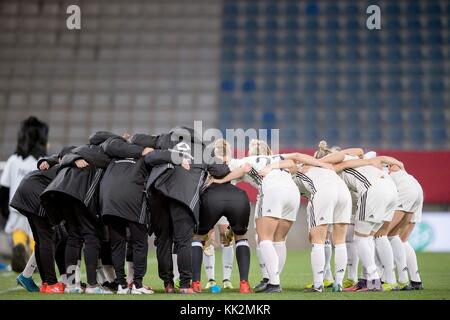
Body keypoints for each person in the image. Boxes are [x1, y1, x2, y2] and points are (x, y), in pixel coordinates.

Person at [134, 127, 230, 294]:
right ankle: (185, 285)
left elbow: (136, 138)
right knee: (183, 241)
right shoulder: (203, 149)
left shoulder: (165, 139)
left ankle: (168, 284)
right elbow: (222, 171)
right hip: (184, 197)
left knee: (163, 240)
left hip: (159, 193)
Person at [40, 131, 118, 294]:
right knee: (92, 237)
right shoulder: (103, 156)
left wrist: (53, 159)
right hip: (79, 198)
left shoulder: (78, 150)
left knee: (74, 237)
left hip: (61, 196)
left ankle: (71, 285)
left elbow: (63, 155)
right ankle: (92, 285)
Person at [317, 142, 399, 291]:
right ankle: (369, 279)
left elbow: (339, 159)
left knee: (360, 238)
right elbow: (359, 150)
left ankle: (373, 282)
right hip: (391, 188)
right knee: (368, 237)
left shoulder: (332, 167)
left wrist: (317, 162)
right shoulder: (352, 157)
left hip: (374, 190)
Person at [282, 152, 352, 292]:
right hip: (344, 192)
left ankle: (318, 285)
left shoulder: (293, 175)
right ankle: (338, 284)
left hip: (323, 192)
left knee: (317, 241)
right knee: (340, 241)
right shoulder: (325, 166)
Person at [191, 139, 252, 293]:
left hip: (211, 201)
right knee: (234, 239)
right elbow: (246, 168)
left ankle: (202, 281)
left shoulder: (208, 161)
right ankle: (234, 281)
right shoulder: (233, 162)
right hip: (234, 201)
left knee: (202, 239)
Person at [10, 147, 74, 293]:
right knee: (48, 238)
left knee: (49, 238)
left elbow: (59, 156)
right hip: (36, 194)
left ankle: (46, 282)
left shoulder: (67, 163)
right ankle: (51, 284)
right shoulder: (75, 166)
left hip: (28, 190)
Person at [99, 135, 154, 294]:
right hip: (132, 202)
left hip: (109, 202)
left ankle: (122, 285)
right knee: (140, 242)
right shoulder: (145, 156)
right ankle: (137, 285)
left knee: (117, 243)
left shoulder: (113, 156)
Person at [1, 116, 49, 272]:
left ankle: (19, 245)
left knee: (18, 232)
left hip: (15, 205)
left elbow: (4, 187)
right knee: (37, 236)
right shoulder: (43, 161)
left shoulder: (13, 160)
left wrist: (4, 210)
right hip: (36, 207)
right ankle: (32, 259)